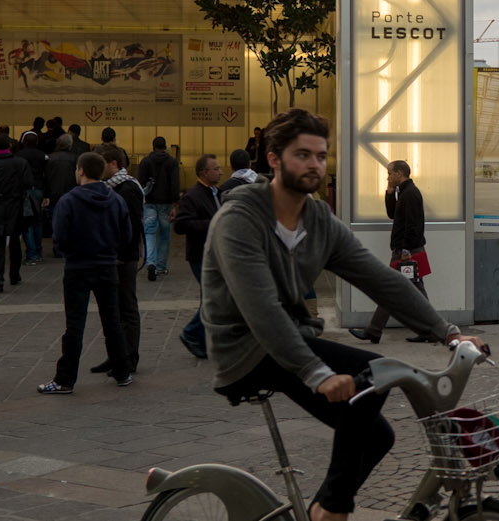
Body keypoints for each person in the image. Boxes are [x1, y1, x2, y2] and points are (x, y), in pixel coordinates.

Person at [206, 109, 480, 521]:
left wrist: (449, 332)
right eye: (303, 155)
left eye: (321, 155)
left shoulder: (317, 220)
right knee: (372, 374)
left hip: (290, 341)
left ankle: (320, 508)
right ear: (274, 159)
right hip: (245, 348)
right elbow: (260, 308)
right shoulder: (239, 219)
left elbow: (380, 279)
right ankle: (332, 510)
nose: (315, 164)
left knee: (378, 436)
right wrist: (316, 372)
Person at [38, 152, 133, 393]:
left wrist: (71, 252)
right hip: (107, 266)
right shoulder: (115, 199)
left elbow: (59, 236)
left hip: (78, 268)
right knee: (112, 321)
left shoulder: (69, 201)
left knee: (75, 325)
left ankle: (65, 379)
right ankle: (122, 372)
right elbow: (126, 236)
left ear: (80, 170)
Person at [349, 160, 434, 343]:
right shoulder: (404, 192)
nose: (388, 177)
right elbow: (393, 214)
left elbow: (412, 226)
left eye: (390, 174)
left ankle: (374, 331)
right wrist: (388, 192)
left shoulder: (410, 194)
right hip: (407, 250)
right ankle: (430, 330)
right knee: (413, 291)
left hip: (407, 251)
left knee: (390, 290)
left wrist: (404, 250)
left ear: (399, 173)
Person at [92, 144, 145, 377]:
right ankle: (115, 355)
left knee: (126, 308)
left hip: (123, 258)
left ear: (113, 163)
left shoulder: (128, 188)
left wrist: (120, 254)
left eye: (100, 163)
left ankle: (129, 357)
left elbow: (131, 227)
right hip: (111, 257)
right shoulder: (108, 188)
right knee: (112, 310)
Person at [172, 155, 224, 359]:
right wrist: (211, 223)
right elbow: (181, 225)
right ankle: (191, 333)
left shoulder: (216, 193)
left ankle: (201, 339)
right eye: (216, 169)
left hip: (215, 254)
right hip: (200, 255)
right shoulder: (193, 196)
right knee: (214, 298)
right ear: (204, 172)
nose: (220, 172)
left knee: (214, 297)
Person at [0, 136, 33, 293]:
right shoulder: (20, 163)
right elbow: (29, 182)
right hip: (15, 205)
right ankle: (14, 274)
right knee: (15, 240)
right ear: (10, 145)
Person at [138, 137, 181, 280]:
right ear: (165, 147)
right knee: (164, 234)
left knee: (149, 232)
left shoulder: (145, 162)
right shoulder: (172, 162)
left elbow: (140, 184)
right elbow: (175, 185)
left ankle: (151, 262)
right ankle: (161, 267)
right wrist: (175, 203)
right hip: (166, 203)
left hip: (149, 202)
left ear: (153, 146)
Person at [15, 134, 48, 263]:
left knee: (27, 222)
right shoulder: (43, 155)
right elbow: (47, 175)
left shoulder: (18, 156)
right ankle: (38, 251)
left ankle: (31, 253)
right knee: (38, 221)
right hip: (39, 189)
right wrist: (47, 194)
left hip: (25, 191)